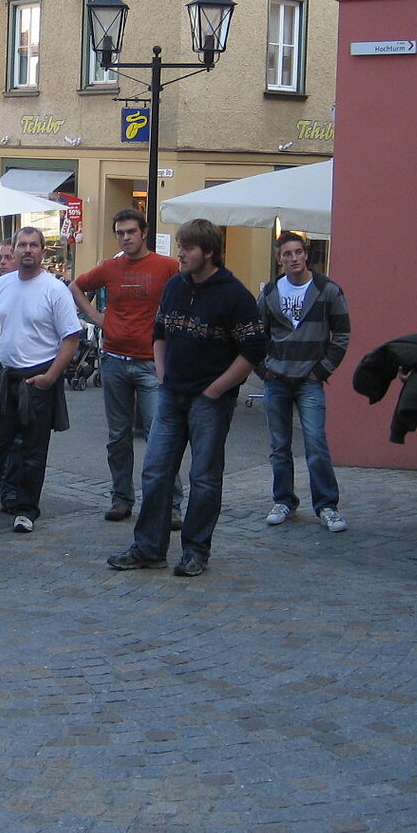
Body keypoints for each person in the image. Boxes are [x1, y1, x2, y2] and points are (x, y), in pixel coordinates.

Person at [107, 219, 266, 577]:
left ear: (208, 252)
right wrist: (161, 371)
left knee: (205, 477)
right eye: (180, 246)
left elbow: (254, 348)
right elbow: (160, 330)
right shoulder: (175, 286)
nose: (180, 253)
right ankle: (149, 548)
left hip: (210, 401)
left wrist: (216, 388)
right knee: (155, 472)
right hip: (171, 396)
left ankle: (196, 551)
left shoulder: (234, 295)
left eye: (188, 248)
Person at [70, 209, 181, 523]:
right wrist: (96, 317)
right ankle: (121, 498)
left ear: (144, 233)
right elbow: (76, 286)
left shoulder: (167, 266)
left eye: (131, 231)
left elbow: (185, 295)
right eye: (120, 233)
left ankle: (170, 504)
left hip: (150, 364)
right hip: (115, 361)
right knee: (118, 437)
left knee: (160, 435)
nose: (126, 237)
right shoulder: (110, 267)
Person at [0, 226, 80, 535]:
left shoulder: (54, 289)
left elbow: (71, 338)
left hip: (38, 379)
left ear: (42, 252)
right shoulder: (2, 286)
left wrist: (50, 377)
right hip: (7, 378)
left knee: (33, 452)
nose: (27, 250)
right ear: (14, 249)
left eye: (34, 245)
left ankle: (26, 510)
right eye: (22, 245)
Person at [256, 230, 351, 532]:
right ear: (279, 258)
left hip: (310, 380)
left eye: (298, 252)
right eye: (287, 254)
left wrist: (321, 371)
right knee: (279, 445)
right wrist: (264, 370)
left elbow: (343, 334)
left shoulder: (327, 290)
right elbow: (256, 336)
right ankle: (284, 500)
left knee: (316, 442)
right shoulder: (270, 292)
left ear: (306, 254)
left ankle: (327, 505)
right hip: (277, 380)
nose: (294, 258)